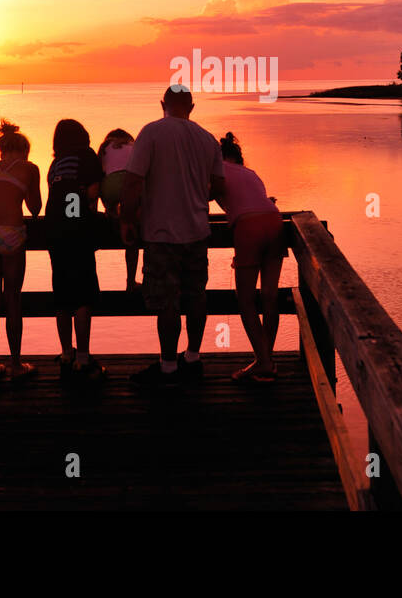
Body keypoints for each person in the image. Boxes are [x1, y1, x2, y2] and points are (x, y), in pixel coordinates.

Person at [121, 85, 225, 388]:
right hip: (197, 232)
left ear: (163, 104)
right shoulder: (208, 139)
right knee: (196, 296)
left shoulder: (152, 132)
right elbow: (219, 186)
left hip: (161, 234)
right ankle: (193, 358)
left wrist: (127, 219)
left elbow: (132, 181)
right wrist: (197, 194)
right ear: (192, 107)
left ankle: (168, 367)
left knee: (167, 302)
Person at [0, 119, 41, 384]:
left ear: (1, 150)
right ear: (24, 150)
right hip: (11, 232)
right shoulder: (30, 168)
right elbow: (34, 207)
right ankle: (15, 364)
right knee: (12, 297)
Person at [214, 132, 284, 383]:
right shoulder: (251, 173)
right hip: (275, 221)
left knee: (245, 300)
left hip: (248, 227)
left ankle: (264, 362)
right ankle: (267, 360)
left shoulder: (215, 169)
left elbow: (201, 197)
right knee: (269, 296)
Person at [45, 119, 105, 380]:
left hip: (54, 231)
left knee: (62, 295)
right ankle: (83, 358)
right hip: (78, 230)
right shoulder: (87, 156)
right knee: (82, 296)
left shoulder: (55, 164)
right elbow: (92, 193)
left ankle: (67, 353)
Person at [98, 128, 139, 291]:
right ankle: (131, 281)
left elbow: (99, 176)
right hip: (130, 183)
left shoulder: (104, 146)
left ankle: (113, 217)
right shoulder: (134, 146)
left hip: (110, 185)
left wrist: (107, 207)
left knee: (113, 209)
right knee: (132, 233)